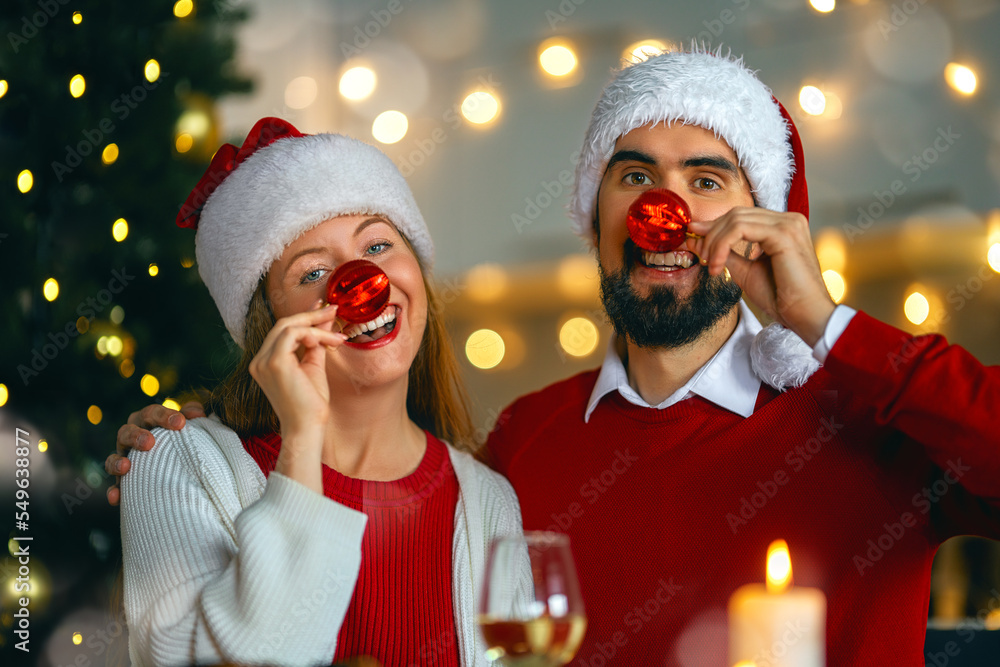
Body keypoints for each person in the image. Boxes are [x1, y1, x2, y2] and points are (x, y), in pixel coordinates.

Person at [108, 48, 1000, 665]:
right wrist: (197, 433)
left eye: (707, 179)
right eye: (634, 175)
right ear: (596, 216)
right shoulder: (522, 449)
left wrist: (827, 324)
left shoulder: (873, 419)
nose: (668, 209)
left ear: (759, 218)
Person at [116, 117, 524, 667]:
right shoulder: (172, 461)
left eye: (378, 244)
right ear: (267, 322)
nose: (360, 283)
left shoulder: (490, 502)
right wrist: (303, 440)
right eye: (312, 274)